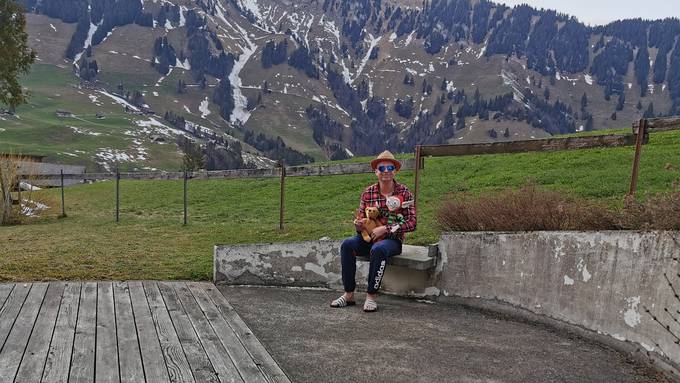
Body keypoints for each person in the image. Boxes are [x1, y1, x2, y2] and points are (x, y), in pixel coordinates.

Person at [330, 150, 416, 312]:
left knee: (378, 249)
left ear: (395, 171)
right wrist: (359, 226)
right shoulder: (368, 193)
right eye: (381, 168)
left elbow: (412, 222)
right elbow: (363, 219)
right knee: (347, 245)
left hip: (392, 240)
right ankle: (348, 295)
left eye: (390, 168)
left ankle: (371, 296)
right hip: (368, 237)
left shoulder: (404, 192)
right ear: (376, 171)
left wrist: (386, 229)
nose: (386, 172)